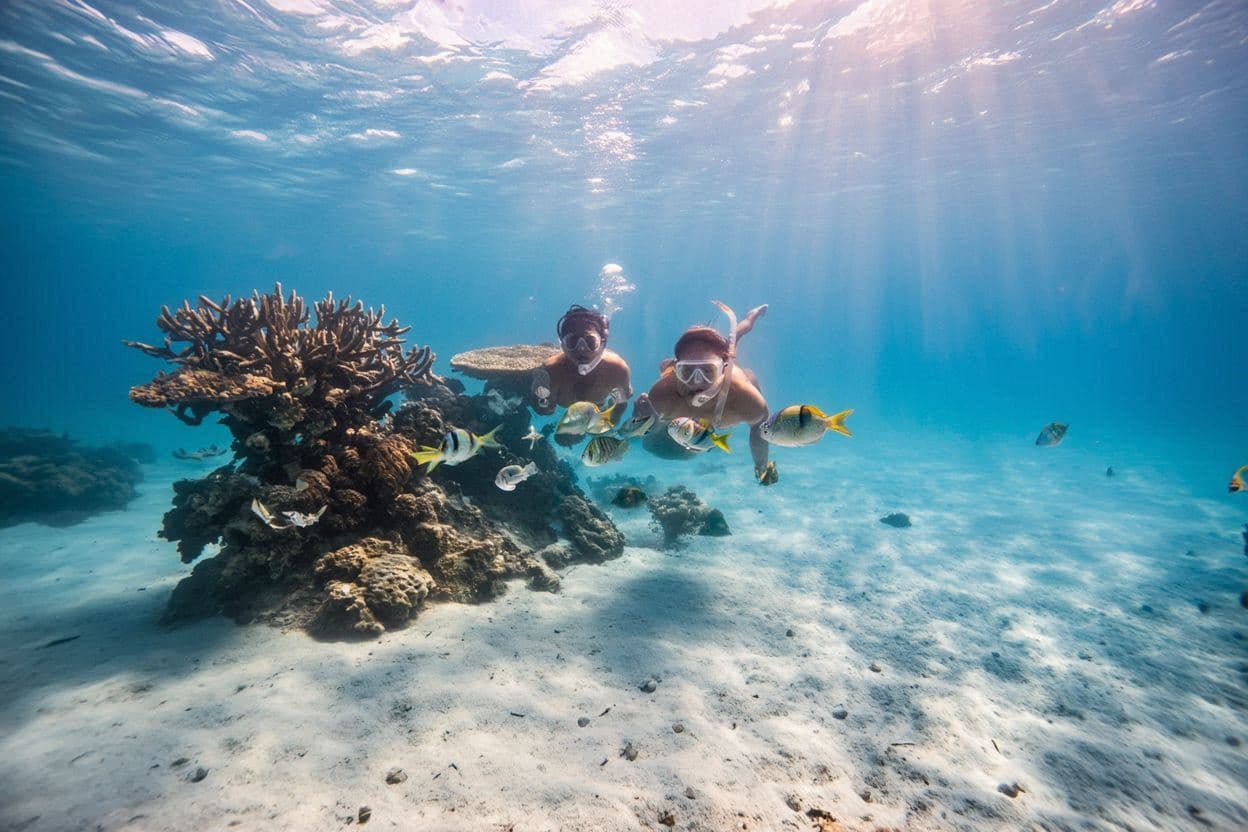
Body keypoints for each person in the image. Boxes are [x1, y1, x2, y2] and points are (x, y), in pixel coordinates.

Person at [634, 303, 777, 484]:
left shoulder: (745, 396)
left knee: (734, 340)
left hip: (732, 378)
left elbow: (759, 428)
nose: (697, 381)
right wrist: (641, 421)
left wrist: (761, 466)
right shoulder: (663, 393)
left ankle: (751, 317)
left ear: (723, 368)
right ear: (678, 368)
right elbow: (653, 427)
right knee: (666, 370)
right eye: (687, 371)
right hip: (677, 383)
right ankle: (676, 367)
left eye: (708, 370)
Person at [531, 305, 632, 416]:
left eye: (590, 341)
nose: (582, 349)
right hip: (564, 412)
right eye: (572, 341)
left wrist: (608, 420)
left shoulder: (617, 369)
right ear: (562, 345)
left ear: (602, 342)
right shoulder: (550, 371)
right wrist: (541, 399)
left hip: (598, 408)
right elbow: (545, 410)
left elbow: (621, 401)